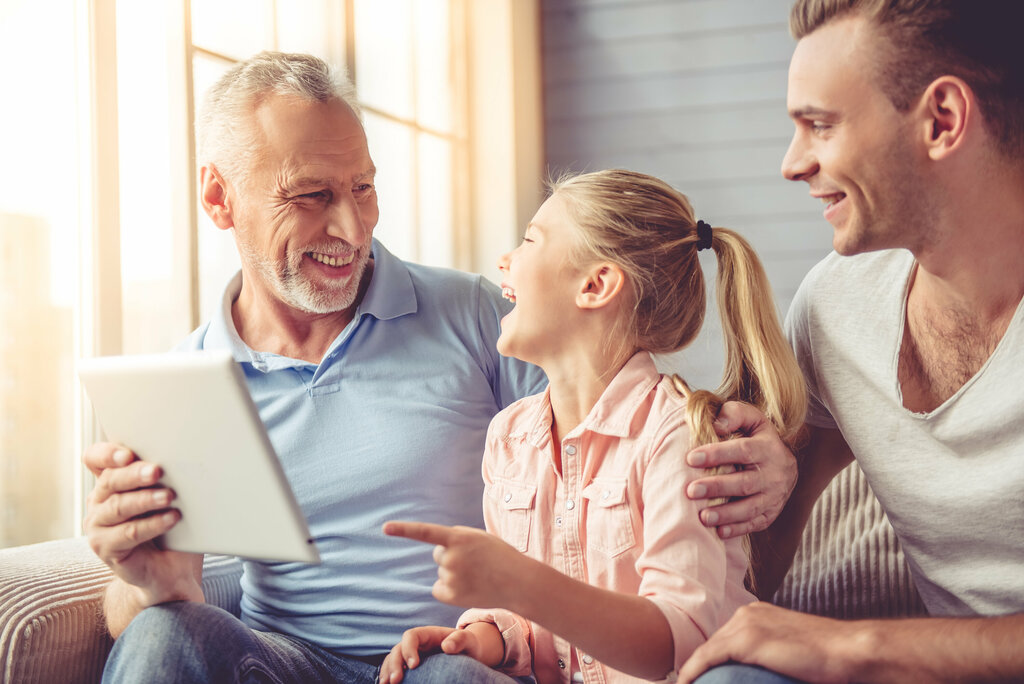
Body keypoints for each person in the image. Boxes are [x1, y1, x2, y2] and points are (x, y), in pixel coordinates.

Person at [80, 53, 789, 683]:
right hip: (282, 658)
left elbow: (614, 429)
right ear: (218, 198)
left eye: (362, 187)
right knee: (161, 635)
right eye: (313, 195)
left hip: (447, 657)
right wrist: (151, 587)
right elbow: (167, 607)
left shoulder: (479, 320)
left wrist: (766, 454)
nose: (353, 229)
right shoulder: (189, 382)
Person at [678, 1, 1024, 682]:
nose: (792, 163)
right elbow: (756, 558)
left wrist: (853, 646)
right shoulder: (837, 307)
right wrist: (769, 477)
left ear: (942, 120)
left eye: (820, 125)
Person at [378, 169, 808, 684]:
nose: (504, 260)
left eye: (529, 240)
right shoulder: (509, 437)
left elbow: (675, 644)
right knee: (445, 673)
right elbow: (528, 625)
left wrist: (521, 582)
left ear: (595, 284)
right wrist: (480, 639)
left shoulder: (677, 433)